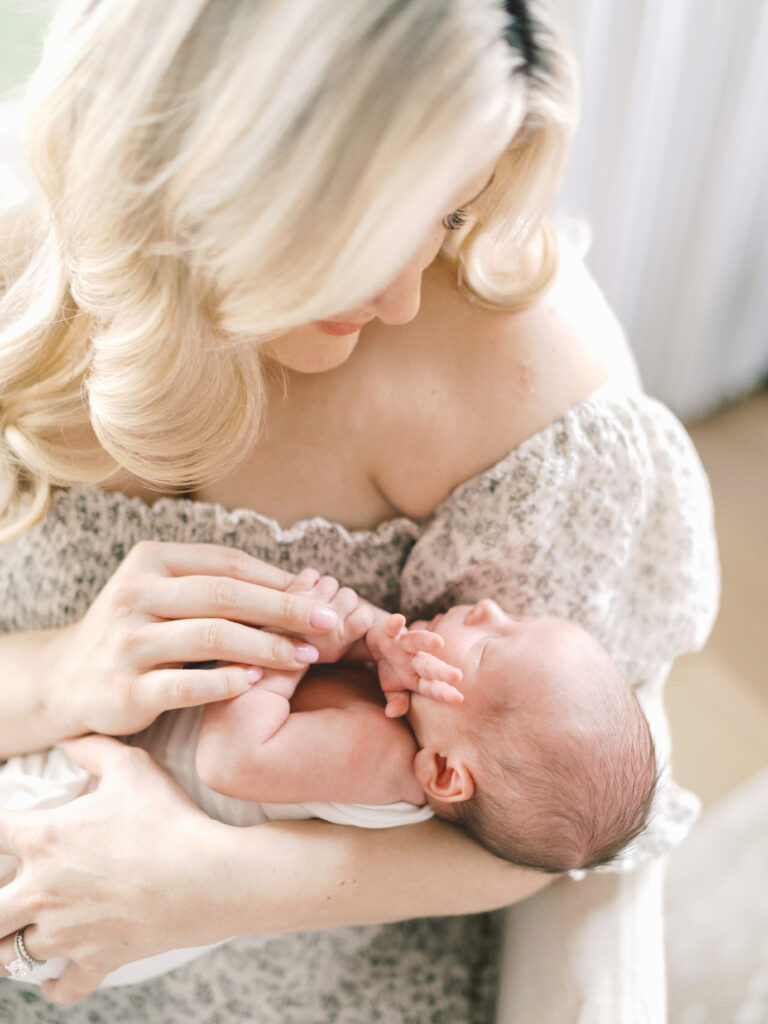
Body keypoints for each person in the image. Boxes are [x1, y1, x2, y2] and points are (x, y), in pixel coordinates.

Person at [0, 1, 718, 1021]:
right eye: (375, 231)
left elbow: (571, 815)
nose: (404, 299)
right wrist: (55, 676)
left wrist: (208, 885)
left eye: (453, 215)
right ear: (220, 160)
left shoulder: (511, 387)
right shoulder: (19, 293)